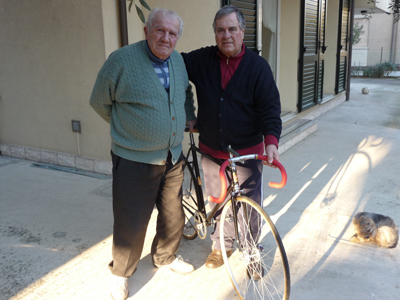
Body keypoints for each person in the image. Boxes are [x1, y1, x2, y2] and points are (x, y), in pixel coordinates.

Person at [90, 8, 196, 300]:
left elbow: (184, 93)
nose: (166, 37)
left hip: (172, 155)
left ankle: (164, 256)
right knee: (132, 221)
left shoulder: (177, 61)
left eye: (172, 33)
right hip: (135, 159)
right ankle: (121, 273)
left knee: (174, 215)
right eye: (160, 30)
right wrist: (128, 130)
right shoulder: (121, 61)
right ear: (147, 30)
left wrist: (189, 117)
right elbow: (100, 101)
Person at [182, 5, 282, 279]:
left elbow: (270, 108)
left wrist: (271, 141)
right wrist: (187, 113)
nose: (226, 35)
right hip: (212, 151)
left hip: (246, 153)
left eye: (232, 29)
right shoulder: (202, 59)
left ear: (243, 32)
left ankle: (251, 251)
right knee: (218, 203)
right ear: (215, 33)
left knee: (248, 206)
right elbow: (173, 66)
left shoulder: (258, 68)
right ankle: (220, 246)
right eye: (220, 30)